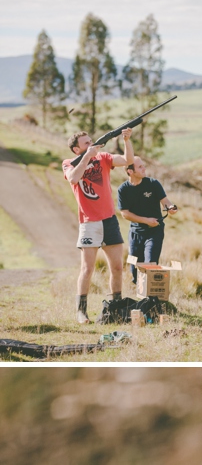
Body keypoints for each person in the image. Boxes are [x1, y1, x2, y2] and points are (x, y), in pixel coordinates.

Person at [62, 127, 134, 324]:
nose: (91, 144)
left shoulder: (102, 157)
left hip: (109, 220)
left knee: (118, 267)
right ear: (76, 149)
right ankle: (81, 312)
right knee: (87, 269)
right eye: (86, 143)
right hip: (89, 222)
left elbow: (128, 161)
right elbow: (74, 178)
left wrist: (126, 140)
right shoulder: (69, 163)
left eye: (91, 141)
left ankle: (116, 309)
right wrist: (87, 156)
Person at [117, 156, 177, 285]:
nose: (144, 168)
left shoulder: (153, 184)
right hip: (135, 234)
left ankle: (151, 299)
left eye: (143, 165)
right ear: (130, 171)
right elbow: (125, 214)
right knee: (134, 268)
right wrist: (145, 220)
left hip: (154, 231)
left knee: (150, 265)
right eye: (140, 167)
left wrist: (171, 208)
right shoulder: (123, 189)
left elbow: (165, 201)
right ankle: (140, 293)